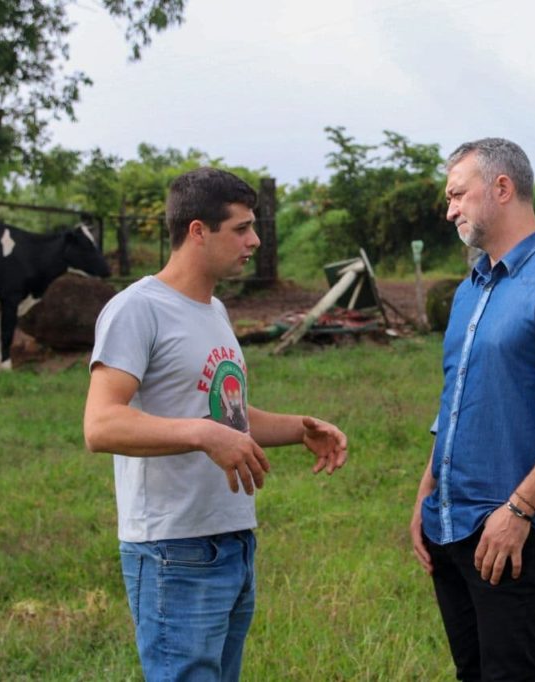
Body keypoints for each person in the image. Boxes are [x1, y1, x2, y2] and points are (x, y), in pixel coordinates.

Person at [83, 167, 348, 681]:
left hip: (231, 539)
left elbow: (226, 417)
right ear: (197, 230)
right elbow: (101, 424)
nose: (254, 241)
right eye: (242, 228)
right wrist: (201, 435)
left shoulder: (214, 309)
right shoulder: (137, 309)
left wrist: (298, 428)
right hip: (172, 550)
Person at [409, 138, 535, 681]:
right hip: (449, 522)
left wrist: (518, 512)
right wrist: (428, 490)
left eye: (457, 194)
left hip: (509, 531)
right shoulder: (470, 289)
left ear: (502, 188)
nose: (449, 209)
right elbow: (455, 400)